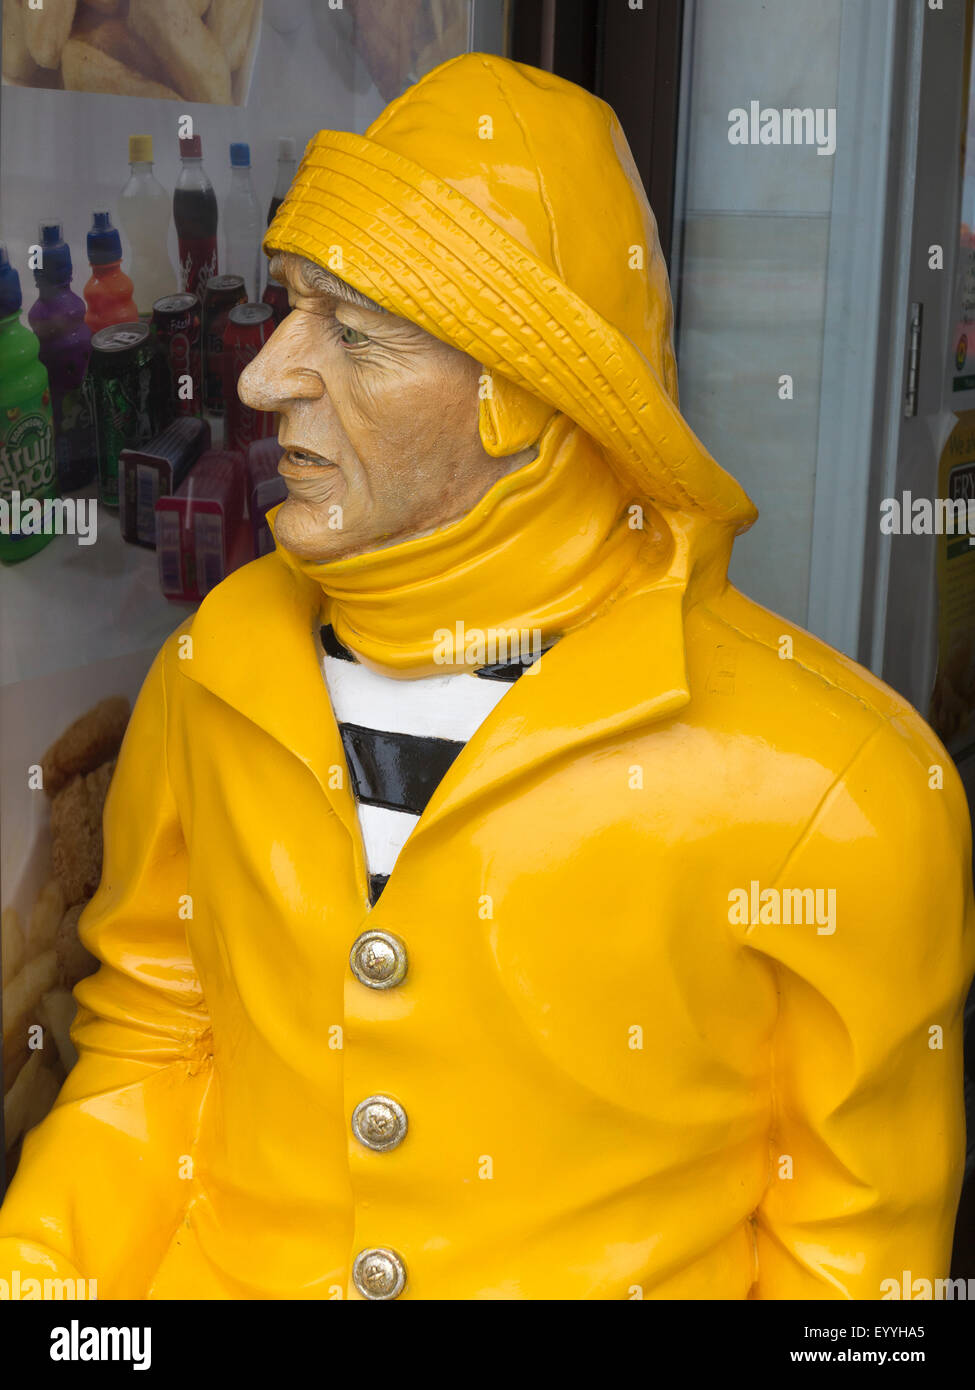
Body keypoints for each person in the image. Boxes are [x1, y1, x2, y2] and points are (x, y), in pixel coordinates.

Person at [1, 53, 973, 1301]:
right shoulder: (217, 667)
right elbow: (152, 1047)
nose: (261, 378)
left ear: (527, 395)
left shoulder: (839, 791)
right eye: (292, 305)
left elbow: (853, 1265)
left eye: (352, 333)